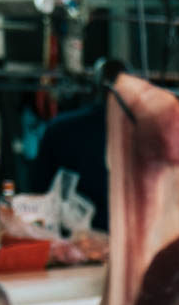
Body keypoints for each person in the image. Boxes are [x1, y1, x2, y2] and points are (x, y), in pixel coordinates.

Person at [31, 58, 125, 230]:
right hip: (132, 243)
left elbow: (39, 196)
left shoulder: (58, 128)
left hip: (75, 245)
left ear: (92, 88)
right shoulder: (148, 135)